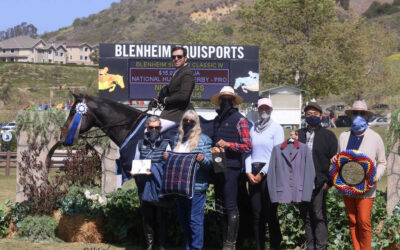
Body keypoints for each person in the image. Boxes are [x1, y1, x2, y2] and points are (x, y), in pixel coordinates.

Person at [331, 100, 386, 250]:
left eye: (362, 113)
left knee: (363, 221)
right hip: (347, 186)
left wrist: (375, 177)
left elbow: (382, 162)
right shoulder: (343, 136)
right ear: (351, 115)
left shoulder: (375, 137)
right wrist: (335, 159)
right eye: (355, 113)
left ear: (367, 116)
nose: (358, 116)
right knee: (353, 220)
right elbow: (340, 157)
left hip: (366, 188)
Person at [163, 110, 212, 250]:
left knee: (195, 221)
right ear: (182, 122)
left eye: (192, 121)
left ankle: (196, 248)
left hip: (196, 188)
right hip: (179, 188)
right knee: (184, 220)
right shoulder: (177, 140)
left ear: (197, 123)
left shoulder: (205, 140)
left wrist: (202, 159)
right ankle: (188, 247)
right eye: (186, 120)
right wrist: (168, 158)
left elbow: (209, 165)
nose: (188, 123)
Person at [210, 86, 252, 250]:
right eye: (223, 99)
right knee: (220, 206)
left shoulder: (240, 119)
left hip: (232, 169)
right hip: (218, 166)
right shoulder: (216, 120)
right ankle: (224, 242)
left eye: (229, 99)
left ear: (233, 101)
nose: (226, 102)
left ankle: (230, 244)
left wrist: (228, 144)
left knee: (230, 205)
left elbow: (248, 146)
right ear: (219, 101)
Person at [297, 102, 338, 250]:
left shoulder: (328, 136)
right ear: (305, 117)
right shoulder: (299, 134)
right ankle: (310, 246)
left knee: (318, 215)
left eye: (315, 114)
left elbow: (335, 161)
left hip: (320, 182)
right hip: (302, 182)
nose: (311, 117)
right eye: (308, 114)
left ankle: (321, 247)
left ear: (321, 116)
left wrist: (330, 182)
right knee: (307, 216)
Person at [245, 98, 284, 250]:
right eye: (261, 108)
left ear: (271, 110)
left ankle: (275, 246)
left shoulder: (277, 129)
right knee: (256, 215)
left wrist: (262, 172)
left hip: (269, 174)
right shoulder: (253, 128)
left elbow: (276, 154)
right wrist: (248, 171)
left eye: (267, 108)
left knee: (270, 214)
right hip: (253, 173)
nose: (264, 111)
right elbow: (249, 151)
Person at [132, 116, 171, 250]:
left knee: (162, 216)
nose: (154, 130)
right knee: (147, 215)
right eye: (151, 127)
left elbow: (170, 165)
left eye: (157, 127)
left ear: (160, 129)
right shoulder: (139, 144)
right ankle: (149, 245)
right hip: (144, 184)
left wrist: (164, 161)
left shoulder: (167, 143)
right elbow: (136, 162)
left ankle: (162, 245)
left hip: (160, 184)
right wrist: (134, 171)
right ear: (146, 128)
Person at [158, 46, 195, 122]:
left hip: (180, 113)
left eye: (179, 56)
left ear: (185, 58)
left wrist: (166, 100)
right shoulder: (177, 72)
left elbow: (184, 96)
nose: (176, 59)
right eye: (173, 57)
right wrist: (158, 100)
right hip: (172, 112)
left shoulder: (187, 74)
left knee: (152, 127)